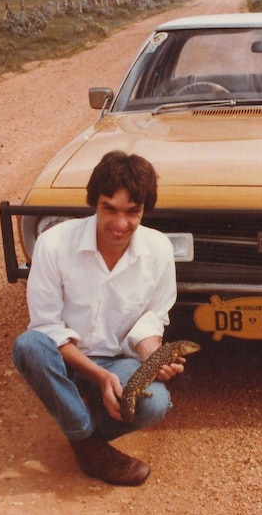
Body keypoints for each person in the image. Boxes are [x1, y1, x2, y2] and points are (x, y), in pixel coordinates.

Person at [12, 150, 184, 486]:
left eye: (132, 212)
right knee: (29, 345)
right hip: (64, 360)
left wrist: (153, 355)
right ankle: (90, 449)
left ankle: (77, 419)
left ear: (144, 210)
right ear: (95, 202)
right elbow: (47, 328)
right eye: (110, 209)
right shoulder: (53, 244)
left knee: (156, 404)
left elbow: (152, 318)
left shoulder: (160, 249)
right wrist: (99, 378)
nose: (120, 225)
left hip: (118, 362)